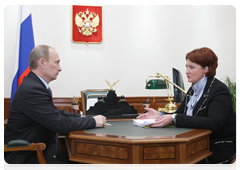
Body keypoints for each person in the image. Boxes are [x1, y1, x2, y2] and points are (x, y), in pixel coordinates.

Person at [4, 45, 107, 170]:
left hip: (41, 151)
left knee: (88, 161)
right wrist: (93, 121)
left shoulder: (35, 85)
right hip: (27, 158)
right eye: (57, 63)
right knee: (86, 166)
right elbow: (59, 124)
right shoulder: (32, 89)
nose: (60, 68)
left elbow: (55, 114)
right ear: (42, 62)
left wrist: (82, 116)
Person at [137, 47, 238, 170]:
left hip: (217, 148)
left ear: (205, 69)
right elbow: (180, 114)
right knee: (172, 161)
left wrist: (173, 118)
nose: (186, 71)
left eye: (192, 67)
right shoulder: (193, 89)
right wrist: (160, 115)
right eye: (186, 66)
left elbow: (214, 122)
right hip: (197, 145)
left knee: (177, 163)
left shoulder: (219, 90)